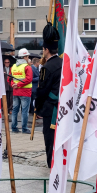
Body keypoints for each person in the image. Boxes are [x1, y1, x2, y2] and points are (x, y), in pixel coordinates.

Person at [35, 22, 62, 168]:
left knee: (50, 140)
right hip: (64, 108)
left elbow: (42, 91)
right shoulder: (64, 63)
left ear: (46, 50)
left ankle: (52, 166)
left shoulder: (46, 68)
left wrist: (37, 109)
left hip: (50, 110)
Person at [10, 48, 33, 134]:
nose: (28, 58)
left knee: (15, 110)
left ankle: (14, 127)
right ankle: (24, 128)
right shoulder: (27, 67)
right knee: (24, 111)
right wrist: (19, 85)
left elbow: (10, 79)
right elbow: (29, 79)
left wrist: (14, 84)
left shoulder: (13, 66)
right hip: (25, 92)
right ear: (25, 57)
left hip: (16, 91)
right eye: (27, 56)